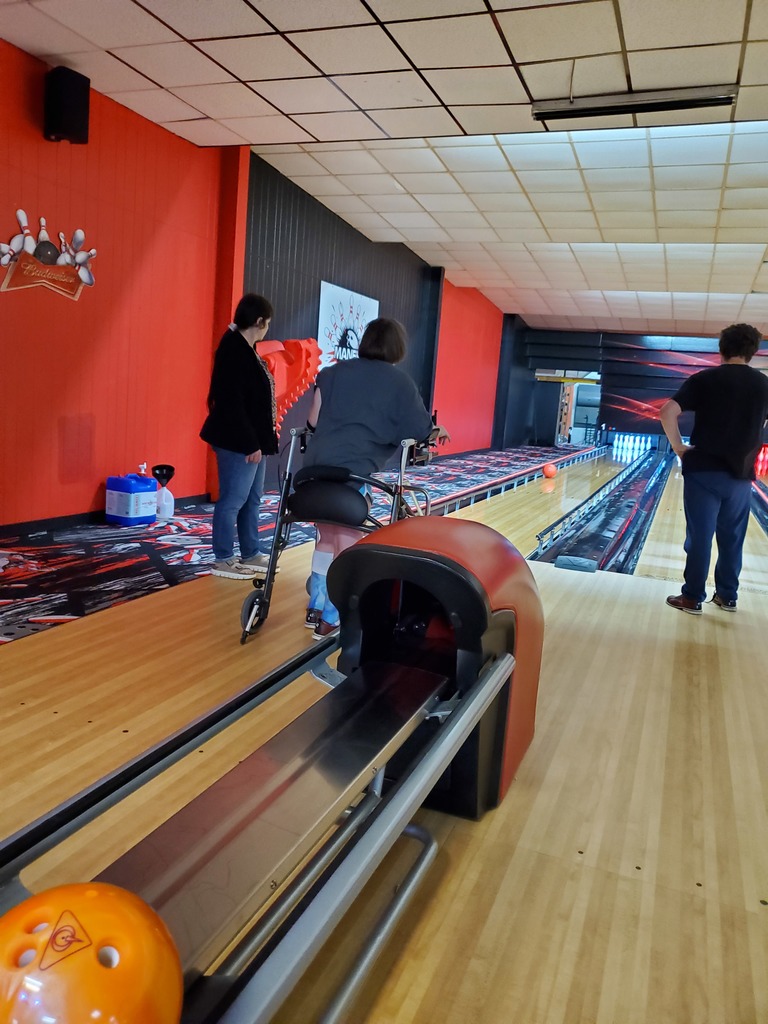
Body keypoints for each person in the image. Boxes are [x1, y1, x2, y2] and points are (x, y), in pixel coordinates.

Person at [302, 317, 449, 639]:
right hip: (352, 472)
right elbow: (419, 429)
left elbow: (312, 421)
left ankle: (316, 606)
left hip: (312, 472)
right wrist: (438, 431)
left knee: (326, 536)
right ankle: (333, 616)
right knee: (347, 540)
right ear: (398, 348)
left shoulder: (332, 373)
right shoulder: (399, 382)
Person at [659, 322, 768, 614]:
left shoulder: (705, 379)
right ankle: (727, 596)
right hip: (741, 476)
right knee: (732, 538)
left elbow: (667, 411)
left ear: (722, 349)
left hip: (703, 472)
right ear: (753, 352)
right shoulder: (763, 385)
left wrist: (678, 446)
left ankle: (692, 597)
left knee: (700, 537)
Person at [200, 294, 279, 579]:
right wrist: (250, 442)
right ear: (259, 322)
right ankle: (222, 557)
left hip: (254, 440)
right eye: (267, 323)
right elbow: (231, 403)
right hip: (239, 441)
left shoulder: (247, 349)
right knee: (233, 499)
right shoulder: (233, 349)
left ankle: (251, 551)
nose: (268, 328)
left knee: (252, 499)